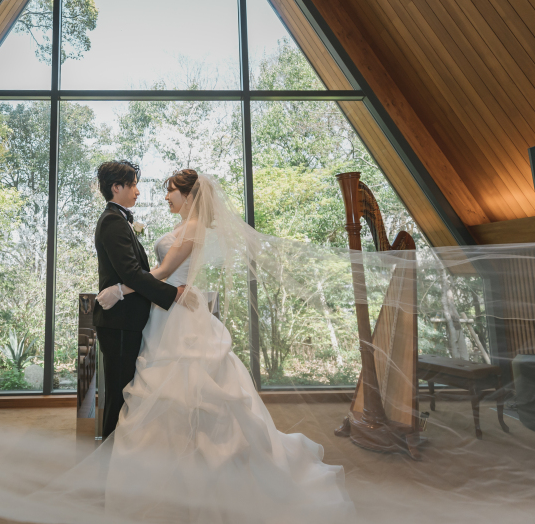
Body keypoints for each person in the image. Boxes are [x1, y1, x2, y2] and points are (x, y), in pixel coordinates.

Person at [90, 169, 354, 522]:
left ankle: (181, 475)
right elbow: (155, 272)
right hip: (164, 312)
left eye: (170, 191)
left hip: (179, 316)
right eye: (138, 185)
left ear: (188, 194)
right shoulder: (169, 225)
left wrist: (121, 290)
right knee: (162, 390)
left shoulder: (194, 227)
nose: (164, 196)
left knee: (186, 390)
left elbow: (163, 271)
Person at [92, 160, 190, 438]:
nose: (137, 191)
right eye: (133, 185)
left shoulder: (118, 219)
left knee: (125, 391)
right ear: (116, 187)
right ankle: (109, 453)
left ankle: (118, 452)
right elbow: (132, 274)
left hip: (127, 320)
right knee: (119, 393)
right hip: (120, 321)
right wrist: (172, 293)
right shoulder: (113, 221)